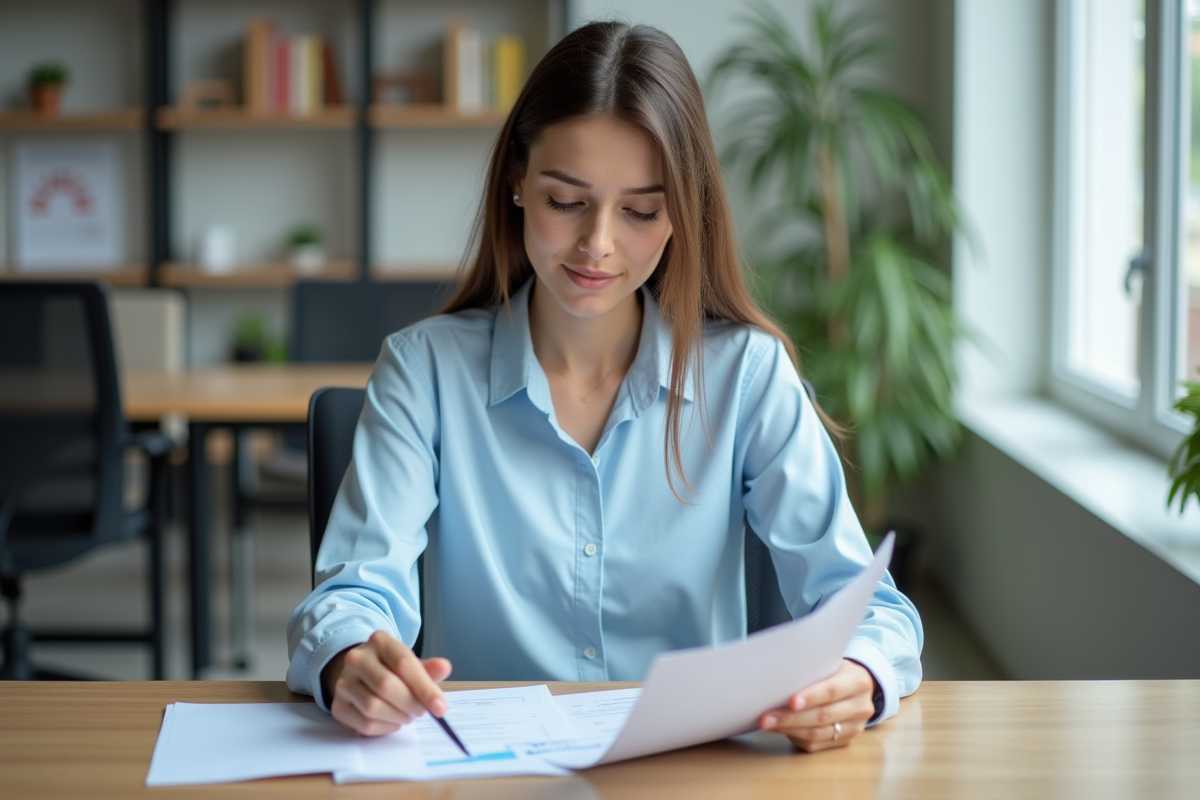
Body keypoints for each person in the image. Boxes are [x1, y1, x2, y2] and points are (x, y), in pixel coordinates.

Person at [287, 20, 922, 754]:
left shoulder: (748, 376)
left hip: (691, 773)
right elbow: (351, 594)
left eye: (642, 211)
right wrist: (350, 662)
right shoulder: (422, 371)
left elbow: (870, 607)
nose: (598, 244)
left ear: (684, 211)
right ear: (517, 180)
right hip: (484, 773)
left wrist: (858, 675)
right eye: (567, 202)